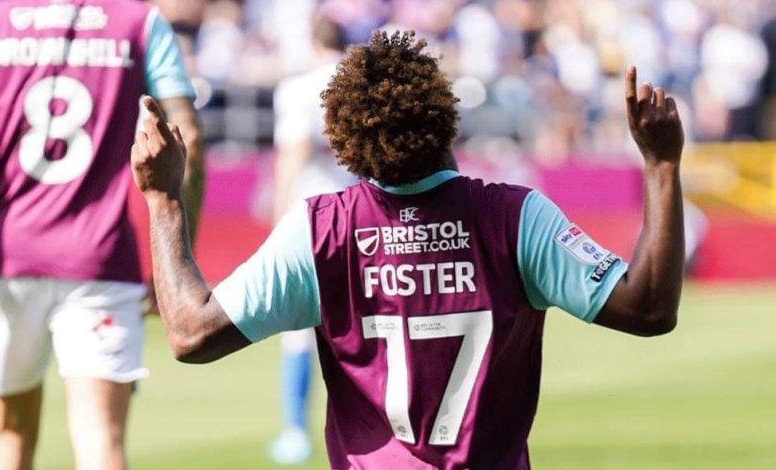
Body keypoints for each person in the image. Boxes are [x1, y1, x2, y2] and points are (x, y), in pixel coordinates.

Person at [132, 31, 684, 469]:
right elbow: (648, 309)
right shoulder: (517, 218)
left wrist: (163, 198)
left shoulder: (321, 229)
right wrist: (661, 165)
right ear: (446, 115)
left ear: (346, 141)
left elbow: (189, 333)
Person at [0, 1, 203, 469]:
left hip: (8, 255)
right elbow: (185, 129)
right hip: (101, 256)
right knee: (101, 442)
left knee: (8, 434)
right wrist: (178, 255)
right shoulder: (139, 21)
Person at [267, 14, 355, 465]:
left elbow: (295, 152)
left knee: (300, 331)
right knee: (367, 326)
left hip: (314, 222)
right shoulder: (363, 80)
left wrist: (278, 217)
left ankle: (296, 432)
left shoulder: (301, 88)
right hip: (366, 218)